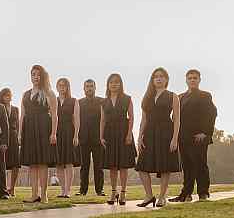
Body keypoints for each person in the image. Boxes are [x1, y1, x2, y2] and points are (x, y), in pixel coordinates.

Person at [135, 67, 181, 208]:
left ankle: (162, 197)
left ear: (166, 79)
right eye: (156, 76)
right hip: (149, 133)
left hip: (166, 132)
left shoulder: (173, 96)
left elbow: (177, 119)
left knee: (165, 166)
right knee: (142, 167)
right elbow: (144, 120)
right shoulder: (147, 97)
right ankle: (149, 196)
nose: (159, 79)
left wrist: (175, 138)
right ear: (152, 80)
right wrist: (139, 137)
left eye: (161, 76)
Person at [170, 69, 217, 203]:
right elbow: (175, 117)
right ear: (186, 80)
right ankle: (186, 194)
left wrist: (206, 133)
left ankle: (203, 193)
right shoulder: (180, 97)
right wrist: (174, 135)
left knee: (200, 165)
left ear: (199, 80)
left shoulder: (205, 95)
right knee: (187, 166)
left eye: (195, 78)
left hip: (198, 137)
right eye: (190, 78)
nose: (192, 80)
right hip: (183, 137)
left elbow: (212, 114)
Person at [19, 64, 58, 204]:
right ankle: (34, 194)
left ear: (43, 77)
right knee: (32, 164)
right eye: (33, 74)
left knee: (42, 163)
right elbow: (22, 115)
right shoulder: (25, 94)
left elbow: (54, 115)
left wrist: (53, 133)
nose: (35, 77)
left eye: (38, 75)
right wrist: (19, 134)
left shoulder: (49, 93)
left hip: (43, 129)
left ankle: (44, 194)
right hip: (29, 130)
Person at [100, 73, 136, 206]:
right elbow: (103, 120)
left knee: (123, 165)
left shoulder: (127, 99)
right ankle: (113, 192)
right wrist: (101, 136)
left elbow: (131, 117)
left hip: (123, 133)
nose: (114, 84)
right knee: (112, 166)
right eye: (111, 82)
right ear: (108, 85)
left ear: (120, 84)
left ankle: (123, 193)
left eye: (116, 82)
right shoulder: (104, 102)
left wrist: (129, 134)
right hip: (109, 134)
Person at [77, 79, 105, 196]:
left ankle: (100, 190)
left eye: (91, 86)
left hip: (98, 139)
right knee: (84, 166)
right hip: (83, 138)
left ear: (95, 88)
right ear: (84, 89)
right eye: (87, 86)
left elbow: (105, 119)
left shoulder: (102, 101)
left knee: (99, 166)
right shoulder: (79, 103)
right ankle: (82, 190)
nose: (89, 88)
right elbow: (76, 120)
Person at [54, 77, 81, 198]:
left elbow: (77, 119)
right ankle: (62, 190)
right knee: (59, 163)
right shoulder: (53, 100)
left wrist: (76, 135)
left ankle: (68, 191)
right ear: (57, 87)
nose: (62, 87)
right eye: (60, 85)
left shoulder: (74, 101)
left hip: (69, 132)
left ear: (68, 87)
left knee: (69, 162)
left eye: (64, 85)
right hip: (56, 133)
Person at [0, 88, 21, 197]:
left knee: (15, 163)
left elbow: (18, 124)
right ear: (2, 97)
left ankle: (12, 188)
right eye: (5, 95)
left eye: (9, 95)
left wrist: (19, 136)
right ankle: (4, 187)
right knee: (2, 163)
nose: (7, 97)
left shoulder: (16, 109)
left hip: (14, 137)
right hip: (2, 137)